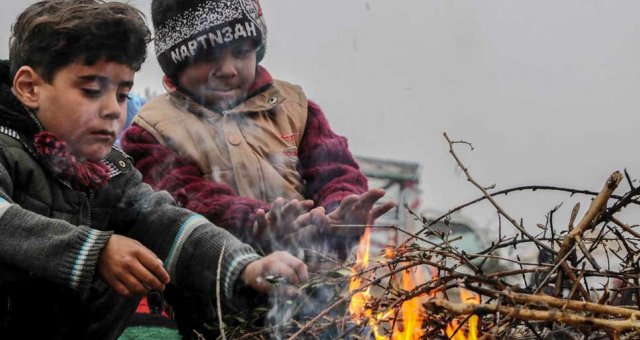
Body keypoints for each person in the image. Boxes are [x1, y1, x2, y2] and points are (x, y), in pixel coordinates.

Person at [0, 1, 307, 338]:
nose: (112, 111)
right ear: (29, 87)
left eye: (121, 94)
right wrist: (93, 251)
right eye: (91, 90)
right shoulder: (6, 147)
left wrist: (245, 266)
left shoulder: (109, 170)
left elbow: (164, 222)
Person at [120, 0, 394, 336]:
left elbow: (336, 167)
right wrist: (257, 222)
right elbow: (184, 198)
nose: (228, 69)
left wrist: (338, 210)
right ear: (176, 65)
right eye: (208, 57)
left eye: (240, 51)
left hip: (316, 302)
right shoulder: (153, 130)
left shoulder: (294, 107)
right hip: (215, 311)